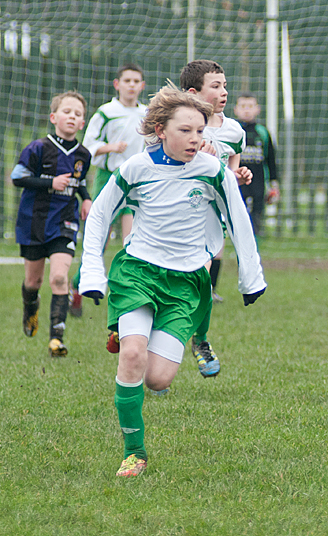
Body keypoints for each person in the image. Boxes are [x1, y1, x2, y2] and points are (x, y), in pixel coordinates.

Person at [78, 84, 266, 477]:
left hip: (185, 284)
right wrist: (92, 271)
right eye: (186, 131)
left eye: (200, 131)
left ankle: (129, 336)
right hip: (138, 271)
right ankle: (135, 452)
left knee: (158, 379)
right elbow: (100, 216)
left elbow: (238, 220)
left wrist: (251, 279)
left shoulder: (212, 170)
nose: (196, 139)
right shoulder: (136, 168)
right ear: (160, 130)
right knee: (132, 356)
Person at [179, 59, 253, 378]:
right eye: (216, 86)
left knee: (202, 283)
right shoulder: (177, 124)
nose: (224, 92)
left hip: (209, 216)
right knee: (170, 286)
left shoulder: (234, 130)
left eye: (225, 85)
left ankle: (200, 340)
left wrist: (238, 175)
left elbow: (231, 172)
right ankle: (137, 335)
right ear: (194, 92)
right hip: (174, 214)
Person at [13, 91, 92, 358]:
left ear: (82, 123)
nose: (72, 116)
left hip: (64, 223)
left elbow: (79, 183)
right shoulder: (37, 148)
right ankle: (30, 308)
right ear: (53, 117)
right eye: (67, 111)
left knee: (59, 277)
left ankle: (56, 339)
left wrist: (87, 199)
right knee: (33, 281)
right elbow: (17, 177)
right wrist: (50, 182)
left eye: (78, 114)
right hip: (33, 223)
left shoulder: (83, 154)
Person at [69, 63, 147, 318]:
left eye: (136, 81)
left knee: (134, 242)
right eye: (127, 81)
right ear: (117, 84)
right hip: (108, 178)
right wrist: (110, 147)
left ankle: (129, 295)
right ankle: (77, 290)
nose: (132, 85)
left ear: (142, 86)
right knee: (98, 239)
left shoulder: (147, 114)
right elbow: (87, 146)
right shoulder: (105, 112)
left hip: (137, 181)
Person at [233, 92, 280, 244]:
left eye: (250, 106)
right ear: (236, 110)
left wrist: (274, 184)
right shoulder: (232, 131)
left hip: (258, 184)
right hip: (237, 183)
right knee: (238, 216)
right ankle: (238, 244)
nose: (246, 110)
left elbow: (271, 160)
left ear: (257, 109)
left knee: (256, 217)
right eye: (243, 106)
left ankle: (254, 245)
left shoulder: (262, 133)